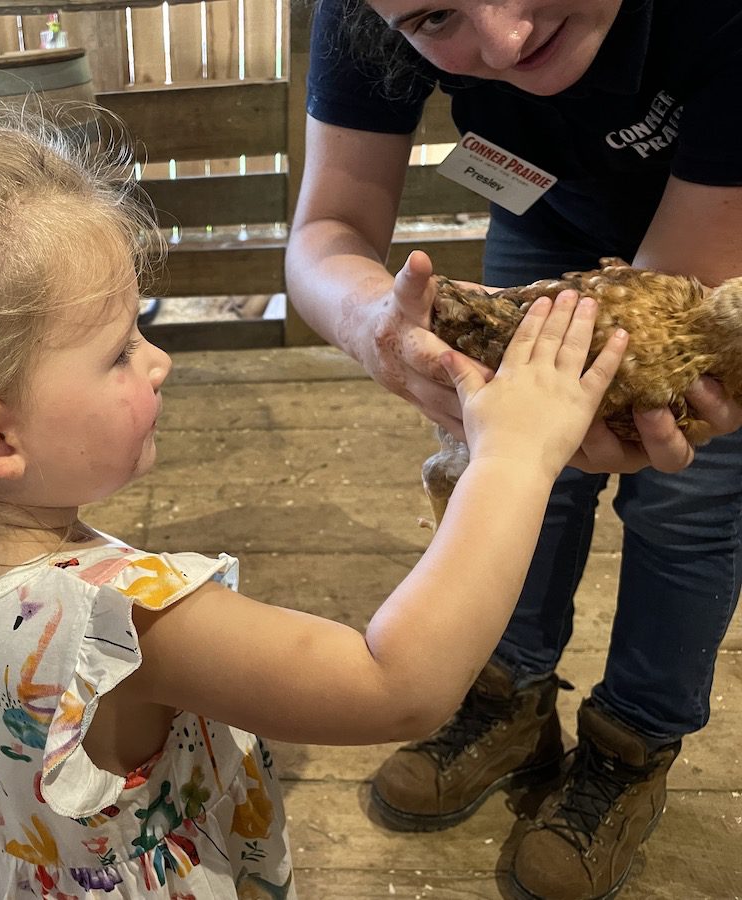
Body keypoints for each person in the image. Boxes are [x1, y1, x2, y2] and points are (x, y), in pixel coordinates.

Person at [0, 13, 630, 897]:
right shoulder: (123, 620)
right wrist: (514, 459)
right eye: (119, 349)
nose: (161, 361)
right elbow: (398, 687)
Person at [285, 2, 742, 898]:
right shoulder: (362, 9)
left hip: (720, 241)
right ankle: (506, 693)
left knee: (687, 494)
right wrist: (374, 324)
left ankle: (632, 745)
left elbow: (666, 310)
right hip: (550, 210)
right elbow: (325, 229)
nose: (504, 40)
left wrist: (563, 427)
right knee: (522, 470)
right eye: (435, 16)